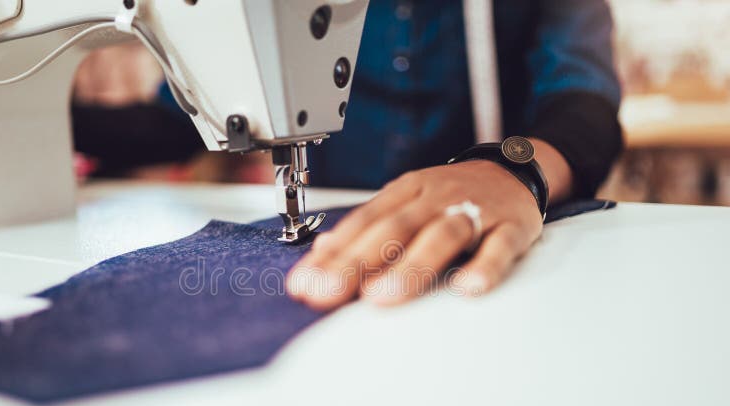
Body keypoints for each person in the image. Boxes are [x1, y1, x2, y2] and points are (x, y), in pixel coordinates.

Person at [74, 0, 623, 309]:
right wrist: (27, 118)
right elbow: (183, 119)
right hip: (341, 258)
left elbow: (584, 107)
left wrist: (511, 169)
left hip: (491, 252)